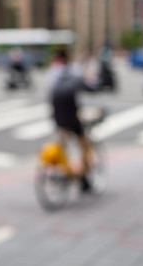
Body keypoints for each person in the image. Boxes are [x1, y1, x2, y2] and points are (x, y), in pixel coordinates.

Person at [48, 48, 95, 193]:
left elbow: (48, 94)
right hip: (72, 115)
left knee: (62, 142)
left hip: (57, 115)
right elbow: (87, 86)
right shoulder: (74, 70)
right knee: (84, 144)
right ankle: (83, 177)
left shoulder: (52, 72)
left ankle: (64, 170)